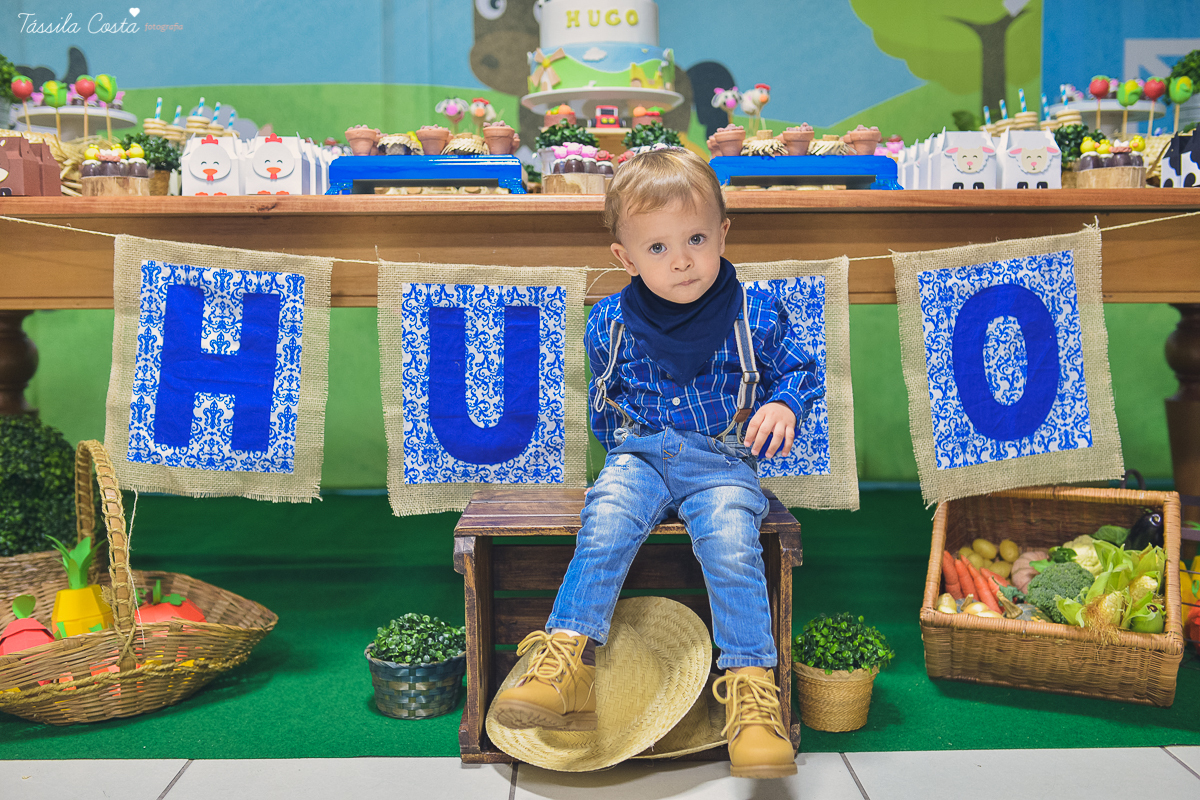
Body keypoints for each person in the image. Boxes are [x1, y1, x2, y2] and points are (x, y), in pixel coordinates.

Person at [490, 147, 823, 778]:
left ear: (724, 232)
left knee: (730, 541)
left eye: (697, 238)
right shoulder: (608, 321)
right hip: (640, 454)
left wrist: (784, 404)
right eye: (658, 248)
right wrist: (619, 460)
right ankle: (567, 660)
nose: (683, 260)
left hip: (723, 460)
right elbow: (604, 401)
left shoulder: (757, 311)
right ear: (625, 257)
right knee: (608, 516)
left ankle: (752, 697)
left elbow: (801, 371)